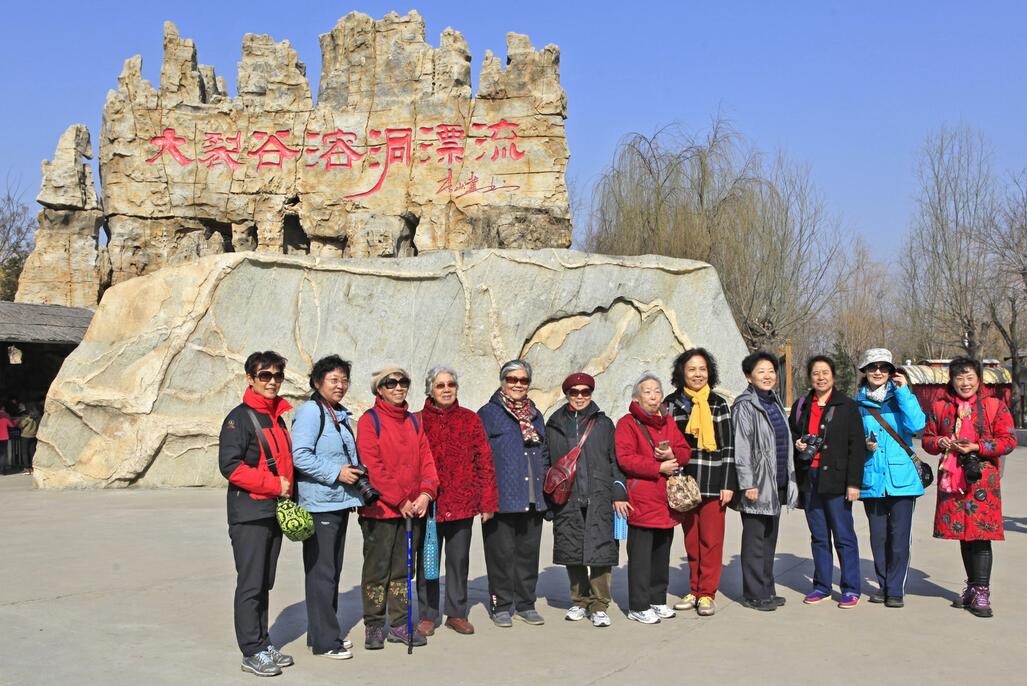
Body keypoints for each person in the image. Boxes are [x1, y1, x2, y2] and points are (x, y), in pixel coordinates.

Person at [218, 350, 295, 677]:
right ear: (250, 378)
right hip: (250, 513)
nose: (272, 381)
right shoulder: (239, 419)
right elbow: (231, 466)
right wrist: (274, 485)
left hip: (273, 512)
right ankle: (251, 651)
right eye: (265, 375)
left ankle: (263, 642)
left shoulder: (276, 417)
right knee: (250, 584)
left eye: (277, 376)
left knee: (264, 582)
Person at [922, 356, 1016, 618]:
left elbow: (1008, 440)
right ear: (952, 380)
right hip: (952, 478)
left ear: (978, 379)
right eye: (959, 377)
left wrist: (977, 446)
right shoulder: (941, 406)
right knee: (963, 533)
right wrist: (940, 442)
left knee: (981, 535)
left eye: (969, 377)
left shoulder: (994, 405)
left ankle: (982, 591)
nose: (965, 383)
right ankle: (972, 588)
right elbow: (927, 439)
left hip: (982, 479)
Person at [356, 365, 439, 648]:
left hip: (411, 509)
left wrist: (426, 493)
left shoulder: (413, 421)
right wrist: (400, 499)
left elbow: (427, 460)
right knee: (377, 570)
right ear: (379, 390)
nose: (398, 387)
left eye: (403, 382)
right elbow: (372, 465)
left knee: (403, 570)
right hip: (381, 511)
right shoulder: (370, 421)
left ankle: (400, 623)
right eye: (390, 383)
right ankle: (374, 625)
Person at [416, 365, 499, 636]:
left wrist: (487, 502)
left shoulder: (470, 419)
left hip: (462, 504)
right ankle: (427, 615)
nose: (446, 389)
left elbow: (484, 462)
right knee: (427, 561)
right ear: (430, 389)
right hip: (428, 506)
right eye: (440, 385)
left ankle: (456, 613)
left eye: (450, 384)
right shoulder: (417, 421)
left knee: (458, 561)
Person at [291, 355, 363, 659]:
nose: (340, 385)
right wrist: (337, 473)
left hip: (337, 502)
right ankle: (325, 642)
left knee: (330, 571)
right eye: (334, 379)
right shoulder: (311, 411)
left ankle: (322, 632)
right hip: (319, 504)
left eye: (344, 379)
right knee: (322, 573)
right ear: (317, 382)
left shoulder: (337, 413)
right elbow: (300, 455)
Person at [545, 372, 629, 628]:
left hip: (599, 495)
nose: (580, 397)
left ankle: (600, 603)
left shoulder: (604, 424)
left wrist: (619, 491)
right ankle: (580, 600)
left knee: (601, 550)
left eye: (585, 392)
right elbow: (547, 462)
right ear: (567, 394)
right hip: (567, 497)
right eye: (574, 392)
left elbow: (615, 461)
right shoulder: (554, 424)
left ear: (591, 394)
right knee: (572, 548)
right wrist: (548, 499)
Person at [614, 372, 691, 625]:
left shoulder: (668, 422)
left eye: (657, 391)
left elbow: (685, 450)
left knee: (661, 555)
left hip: (666, 501)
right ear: (637, 397)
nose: (653, 396)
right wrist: (658, 467)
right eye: (647, 392)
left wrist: (672, 454)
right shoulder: (627, 423)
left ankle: (658, 600)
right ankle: (638, 605)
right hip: (642, 500)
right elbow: (625, 459)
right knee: (640, 558)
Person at [478, 359, 550, 627]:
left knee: (528, 555)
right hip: (501, 499)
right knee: (500, 555)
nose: (518, 385)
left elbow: (544, 453)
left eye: (523, 380)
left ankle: (526, 604)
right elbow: (480, 458)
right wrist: (484, 499)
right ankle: (501, 605)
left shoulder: (536, 415)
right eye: (512, 379)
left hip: (532, 497)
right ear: (503, 382)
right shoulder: (488, 413)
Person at [664, 348, 736, 616]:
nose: (697, 374)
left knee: (711, 540)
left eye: (702, 369)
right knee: (691, 539)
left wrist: (728, 483)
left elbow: (728, 447)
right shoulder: (671, 403)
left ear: (710, 372)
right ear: (682, 372)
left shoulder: (718, 404)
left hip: (714, 481)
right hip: (684, 482)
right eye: (692, 369)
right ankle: (694, 589)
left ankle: (707, 593)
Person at [789, 355, 865, 609]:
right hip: (809, 478)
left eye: (825, 373)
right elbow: (793, 434)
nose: (820, 378)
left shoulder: (847, 406)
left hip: (837, 479)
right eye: (815, 373)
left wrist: (854, 484)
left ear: (833, 375)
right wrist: (798, 444)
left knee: (844, 536)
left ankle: (851, 588)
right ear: (809, 378)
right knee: (819, 536)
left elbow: (856, 447)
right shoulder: (802, 405)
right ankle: (821, 586)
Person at [854, 348, 926, 608]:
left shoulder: (901, 398)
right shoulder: (857, 404)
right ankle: (883, 585)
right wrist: (864, 445)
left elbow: (917, 425)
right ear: (864, 371)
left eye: (883, 367)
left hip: (902, 481)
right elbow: (851, 440)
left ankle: (895, 590)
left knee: (898, 539)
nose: (878, 372)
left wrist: (904, 391)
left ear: (891, 372)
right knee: (878, 538)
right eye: (872, 367)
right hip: (872, 480)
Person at [731, 350, 798, 612]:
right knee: (755, 542)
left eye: (771, 371)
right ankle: (753, 593)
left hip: (776, 481)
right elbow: (741, 447)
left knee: (769, 540)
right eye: (761, 371)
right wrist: (748, 483)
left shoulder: (774, 401)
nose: (768, 376)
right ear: (749, 377)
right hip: (756, 484)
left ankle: (767, 589)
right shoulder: (745, 405)